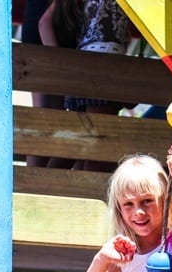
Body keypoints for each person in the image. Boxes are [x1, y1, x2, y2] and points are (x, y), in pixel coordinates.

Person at [38, 0, 130, 171]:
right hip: (104, 68)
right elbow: (44, 22)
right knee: (97, 145)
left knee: (79, 143)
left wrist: (60, 65)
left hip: (89, 65)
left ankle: (42, 186)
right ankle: (44, 187)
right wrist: (59, 65)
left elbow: (44, 22)